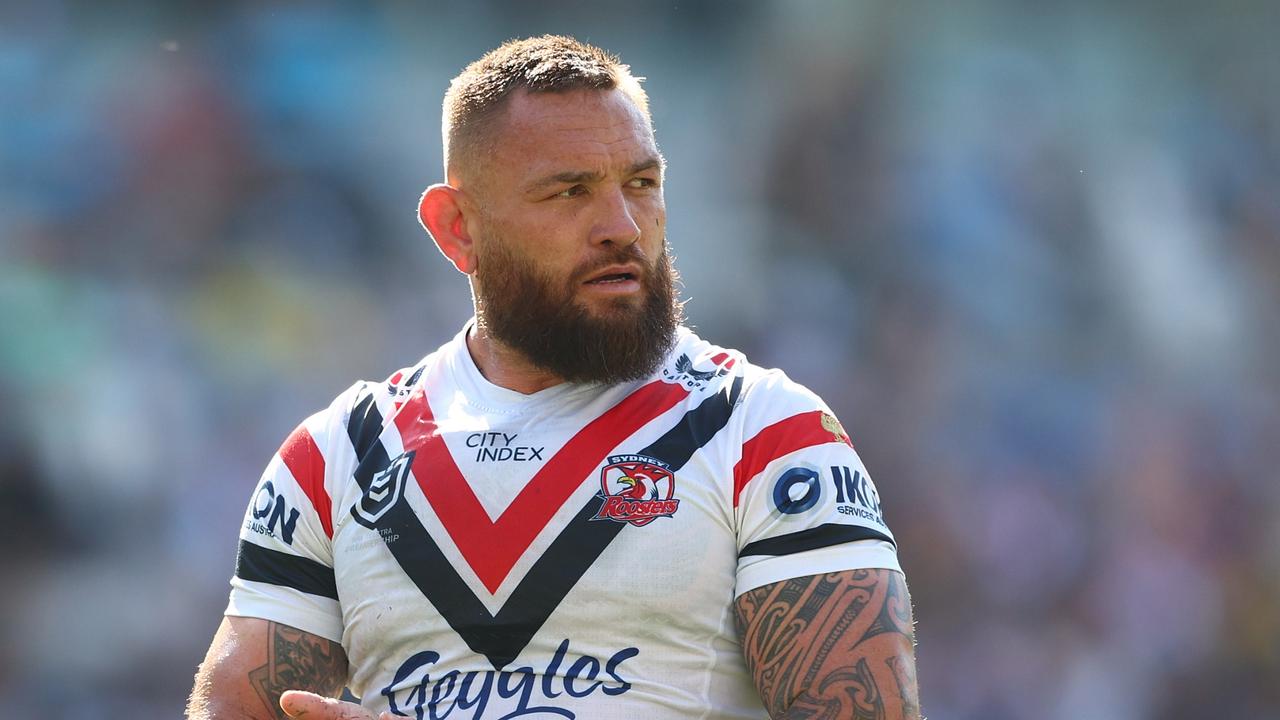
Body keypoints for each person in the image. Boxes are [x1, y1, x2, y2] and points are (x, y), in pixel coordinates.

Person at [186, 35, 920, 720]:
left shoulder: (765, 433)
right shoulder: (337, 458)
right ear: (456, 228)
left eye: (641, 182)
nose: (623, 226)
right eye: (569, 192)